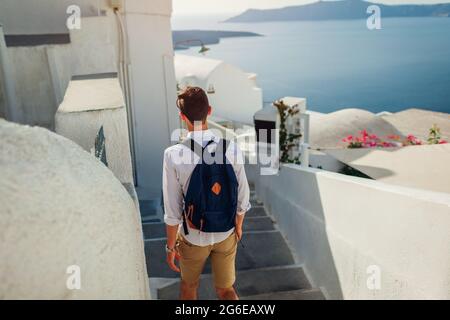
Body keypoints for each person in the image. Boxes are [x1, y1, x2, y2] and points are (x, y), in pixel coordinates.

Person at [162, 86, 251, 300]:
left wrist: (170, 247)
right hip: (226, 233)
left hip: (193, 237)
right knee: (226, 290)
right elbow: (243, 196)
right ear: (209, 111)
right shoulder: (231, 148)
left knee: (189, 287)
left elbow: (172, 211)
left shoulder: (173, 155)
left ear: (182, 117)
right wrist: (238, 225)